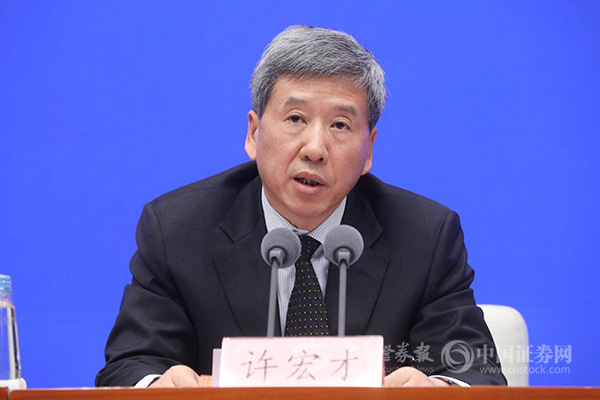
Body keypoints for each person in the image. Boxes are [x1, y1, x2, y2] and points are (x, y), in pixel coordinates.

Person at [96, 25, 506, 388]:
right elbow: (130, 366)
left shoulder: (424, 236)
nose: (315, 148)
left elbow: (475, 370)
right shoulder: (178, 229)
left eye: (340, 125)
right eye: (295, 118)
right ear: (254, 133)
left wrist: (438, 387)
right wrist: (161, 385)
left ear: (369, 150)